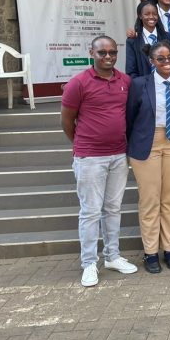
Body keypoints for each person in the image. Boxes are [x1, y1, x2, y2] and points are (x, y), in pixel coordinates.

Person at [61, 35, 138, 287]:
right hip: (90, 157)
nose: (108, 57)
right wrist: (82, 145)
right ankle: (89, 263)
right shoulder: (79, 83)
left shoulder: (124, 81)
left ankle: (112, 256)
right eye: (102, 52)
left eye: (112, 52)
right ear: (91, 53)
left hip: (118, 154)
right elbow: (66, 121)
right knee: (91, 211)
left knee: (113, 208)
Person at [126, 41, 170, 273]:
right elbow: (129, 118)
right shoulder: (139, 84)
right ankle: (151, 252)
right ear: (151, 61)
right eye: (160, 59)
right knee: (150, 200)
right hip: (147, 143)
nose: (167, 62)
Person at [126, 2, 170, 78]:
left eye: (154, 14)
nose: (151, 17)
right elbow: (131, 71)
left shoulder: (167, 37)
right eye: (147, 14)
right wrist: (141, 84)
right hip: (143, 83)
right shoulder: (133, 40)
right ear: (140, 16)